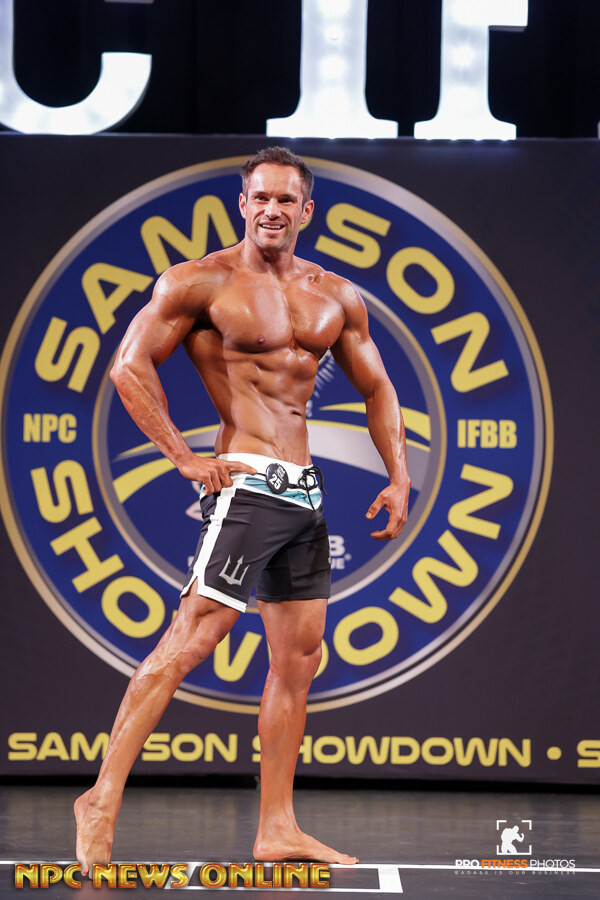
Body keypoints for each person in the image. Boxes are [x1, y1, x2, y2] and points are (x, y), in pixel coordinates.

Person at [74, 146, 411, 873]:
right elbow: (129, 365)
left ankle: (277, 828)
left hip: (305, 492)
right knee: (193, 638)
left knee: (298, 659)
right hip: (247, 483)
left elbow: (378, 387)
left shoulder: (335, 295)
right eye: (261, 198)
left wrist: (399, 476)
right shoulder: (200, 282)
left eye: (286, 200)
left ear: (306, 210)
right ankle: (99, 800)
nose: (272, 210)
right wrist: (182, 456)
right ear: (243, 204)